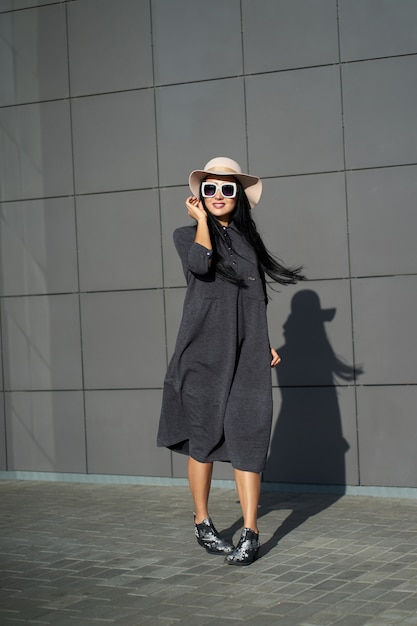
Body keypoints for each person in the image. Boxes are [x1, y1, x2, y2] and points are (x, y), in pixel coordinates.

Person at [157, 157, 304, 565]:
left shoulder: (246, 243)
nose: (219, 195)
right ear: (199, 197)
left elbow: (253, 298)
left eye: (227, 189)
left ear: (238, 196)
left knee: (249, 436)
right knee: (202, 440)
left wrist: (263, 340)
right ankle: (203, 521)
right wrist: (201, 221)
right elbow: (200, 265)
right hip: (202, 352)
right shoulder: (186, 234)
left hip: (247, 353)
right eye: (210, 189)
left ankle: (250, 532)